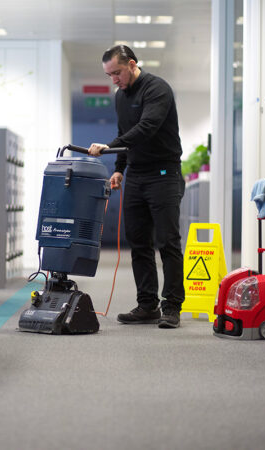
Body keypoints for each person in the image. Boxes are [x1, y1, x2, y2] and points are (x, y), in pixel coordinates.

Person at [88, 44, 185, 329]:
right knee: (139, 243)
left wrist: (109, 147)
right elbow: (124, 134)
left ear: (132, 64)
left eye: (117, 73)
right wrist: (119, 169)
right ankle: (147, 305)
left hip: (164, 174)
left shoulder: (157, 89)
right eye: (109, 75)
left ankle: (172, 307)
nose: (114, 80)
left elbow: (147, 127)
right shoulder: (121, 96)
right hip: (138, 176)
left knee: (167, 242)